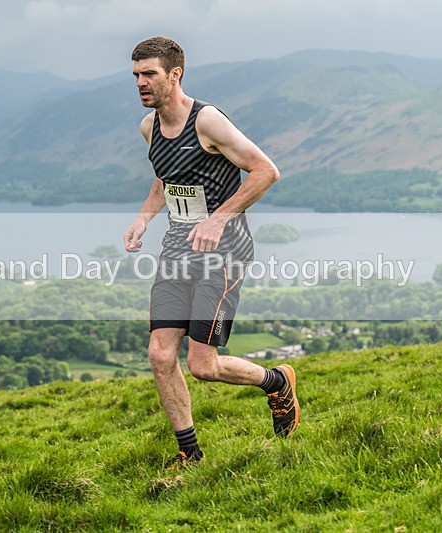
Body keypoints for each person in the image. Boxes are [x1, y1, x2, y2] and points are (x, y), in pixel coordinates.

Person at [124, 37, 299, 469]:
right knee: (160, 354)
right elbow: (164, 179)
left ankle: (276, 382)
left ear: (175, 74)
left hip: (224, 253)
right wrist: (144, 217)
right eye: (136, 76)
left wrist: (219, 218)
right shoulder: (149, 127)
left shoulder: (208, 122)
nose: (141, 83)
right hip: (177, 250)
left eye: (150, 74)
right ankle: (190, 453)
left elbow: (266, 171)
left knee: (203, 364)